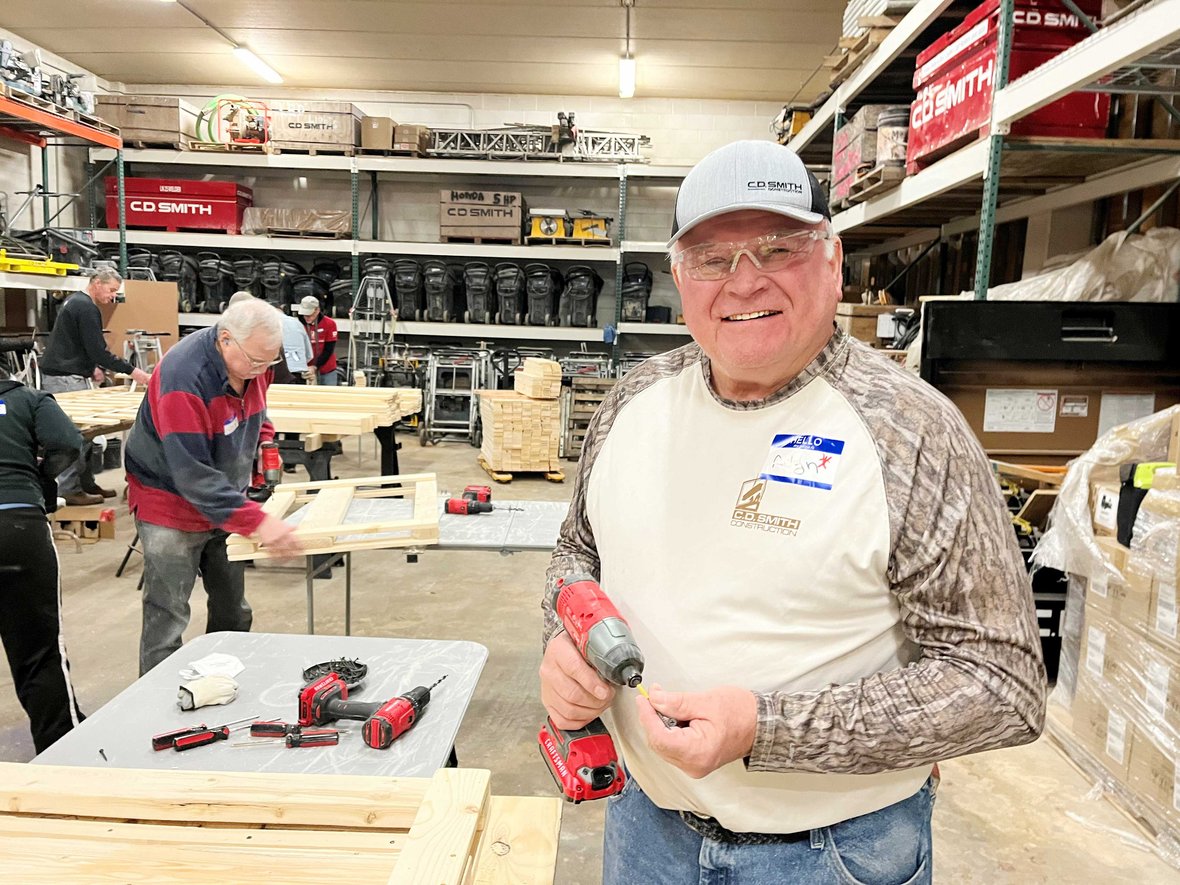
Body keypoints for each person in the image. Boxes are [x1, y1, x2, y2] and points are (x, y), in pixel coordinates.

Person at [539, 140, 1047, 884]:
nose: (743, 283)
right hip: (645, 831)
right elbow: (574, 557)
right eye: (713, 258)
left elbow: (1001, 685)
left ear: (833, 260)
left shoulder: (911, 432)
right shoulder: (630, 403)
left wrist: (764, 728)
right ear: (682, 278)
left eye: (777, 248)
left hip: (830, 854)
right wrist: (561, 643)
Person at [124, 298, 303, 675]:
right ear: (225, 340)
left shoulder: (255, 361)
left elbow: (256, 408)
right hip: (169, 500)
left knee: (233, 609)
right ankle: (156, 703)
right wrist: (259, 521)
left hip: (226, 499)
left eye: (269, 362)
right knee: (168, 613)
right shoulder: (182, 378)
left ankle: (222, 684)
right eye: (256, 362)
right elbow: (192, 474)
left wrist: (265, 441)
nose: (262, 370)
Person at [0, 365, 86, 752]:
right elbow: (67, 442)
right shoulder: (28, 399)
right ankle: (61, 750)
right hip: (18, 526)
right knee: (38, 651)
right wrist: (40, 476)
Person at [39, 269, 152, 505]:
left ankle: (85, 483)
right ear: (97, 283)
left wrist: (91, 367)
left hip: (66, 373)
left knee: (87, 435)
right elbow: (98, 350)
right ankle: (69, 489)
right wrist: (136, 372)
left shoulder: (75, 301)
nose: (113, 296)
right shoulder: (86, 307)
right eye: (111, 290)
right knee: (76, 433)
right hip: (64, 378)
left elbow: (78, 343)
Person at [227, 291, 313, 385]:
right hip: (296, 372)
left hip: (272, 378)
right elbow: (309, 356)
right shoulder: (296, 323)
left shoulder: (260, 325)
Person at [296, 295, 338, 385]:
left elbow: (329, 349)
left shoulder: (329, 324)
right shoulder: (297, 325)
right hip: (304, 369)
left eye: (309, 314)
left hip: (326, 368)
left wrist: (315, 366)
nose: (306, 317)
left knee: (328, 395)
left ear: (317, 311)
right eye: (304, 314)